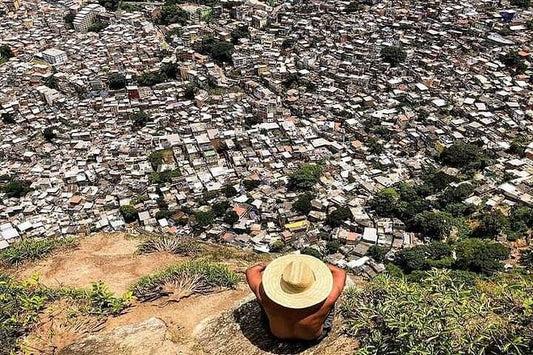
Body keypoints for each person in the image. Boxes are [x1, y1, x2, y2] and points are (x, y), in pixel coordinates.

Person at [245, 254, 346, 342]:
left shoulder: (263, 295)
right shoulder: (329, 298)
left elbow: (251, 271)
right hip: (312, 337)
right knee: (330, 303)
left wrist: (271, 265)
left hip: (277, 334)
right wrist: (319, 265)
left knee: (263, 302)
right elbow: (340, 272)